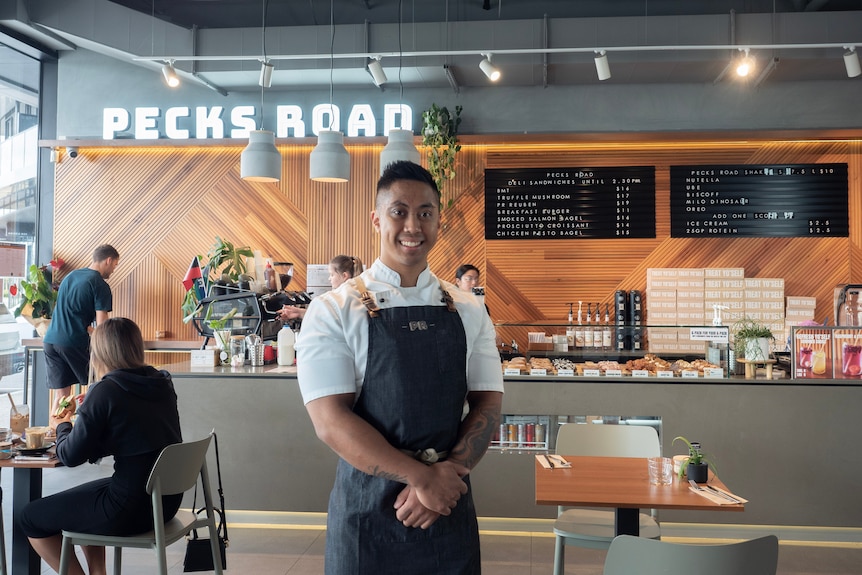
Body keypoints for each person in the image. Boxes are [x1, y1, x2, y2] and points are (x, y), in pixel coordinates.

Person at [296, 161, 504, 574]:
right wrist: (421, 479)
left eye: (425, 213)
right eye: (399, 211)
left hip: (448, 501)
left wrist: (444, 478)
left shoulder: (468, 308)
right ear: (376, 219)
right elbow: (330, 421)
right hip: (367, 510)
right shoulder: (334, 309)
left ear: (438, 222)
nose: (413, 225)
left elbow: (488, 404)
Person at [20, 317, 182, 575]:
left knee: (30, 517)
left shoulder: (106, 391)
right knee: (81, 500)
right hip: (163, 503)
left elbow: (70, 455)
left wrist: (63, 424)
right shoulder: (161, 382)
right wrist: (91, 413)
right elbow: (133, 433)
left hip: (129, 509)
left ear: (100, 351)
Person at [43, 244, 119, 416]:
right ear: (108, 260)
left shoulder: (71, 276)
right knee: (99, 384)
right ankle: (91, 429)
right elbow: (102, 327)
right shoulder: (100, 285)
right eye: (115, 265)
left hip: (50, 341)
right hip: (73, 342)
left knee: (62, 395)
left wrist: (89, 329)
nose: (113, 270)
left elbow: (69, 311)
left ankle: (54, 433)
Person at [277, 255, 364, 321]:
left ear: (344, 275)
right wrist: (299, 312)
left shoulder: (344, 298)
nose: (329, 278)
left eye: (332, 275)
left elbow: (327, 319)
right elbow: (325, 315)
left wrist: (299, 312)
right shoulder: (356, 292)